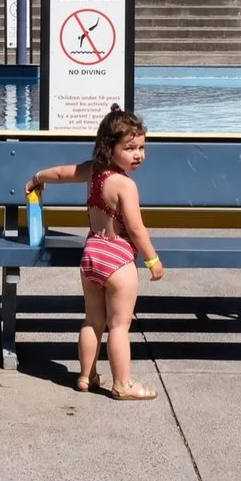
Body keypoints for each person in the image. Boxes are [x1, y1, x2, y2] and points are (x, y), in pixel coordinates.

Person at [24, 106, 166, 400]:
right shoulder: (125, 185)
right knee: (119, 325)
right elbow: (136, 229)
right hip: (118, 259)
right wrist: (152, 259)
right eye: (129, 148)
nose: (138, 154)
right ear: (108, 147)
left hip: (92, 255)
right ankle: (122, 384)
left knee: (92, 321)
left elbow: (62, 173)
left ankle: (86, 375)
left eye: (141, 147)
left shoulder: (92, 172)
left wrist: (38, 177)